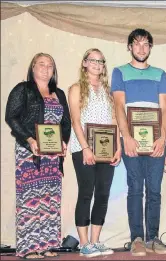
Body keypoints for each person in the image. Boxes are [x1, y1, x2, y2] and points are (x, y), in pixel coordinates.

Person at [5, 53, 71, 259]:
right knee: (30, 198)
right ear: (33, 67)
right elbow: (11, 117)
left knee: (50, 199)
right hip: (29, 153)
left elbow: (66, 122)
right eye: (41, 64)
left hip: (52, 157)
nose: (45, 68)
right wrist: (30, 140)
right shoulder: (22, 90)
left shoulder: (59, 93)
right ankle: (29, 247)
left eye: (50, 65)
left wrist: (63, 141)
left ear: (54, 71)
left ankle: (48, 244)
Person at [111, 28, 166, 256]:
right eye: (137, 44)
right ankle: (137, 238)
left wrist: (163, 137)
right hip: (131, 141)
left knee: (154, 190)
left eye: (146, 44)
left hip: (156, 141)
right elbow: (119, 106)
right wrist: (126, 137)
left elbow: (164, 108)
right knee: (135, 189)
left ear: (150, 48)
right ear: (129, 47)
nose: (141, 48)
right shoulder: (120, 72)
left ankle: (153, 237)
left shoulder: (160, 74)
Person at [68, 48, 121, 257]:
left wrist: (117, 146)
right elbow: (75, 121)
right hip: (83, 149)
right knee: (86, 193)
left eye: (101, 61)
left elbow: (115, 121)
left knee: (102, 194)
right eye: (93, 60)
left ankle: (95, 241)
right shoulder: (76, 89)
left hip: (106, 149)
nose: (97, 64)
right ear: (84, 63)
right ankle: (83, 244)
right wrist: (86, 148)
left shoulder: (109, 91)